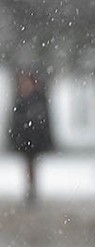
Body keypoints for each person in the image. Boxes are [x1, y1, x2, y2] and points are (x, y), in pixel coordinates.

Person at [8, 70, 54, 207]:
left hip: (34, 138)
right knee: (28, 164)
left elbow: (44, 119)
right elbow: (16, 120)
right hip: (25, 138)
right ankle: (30, 188)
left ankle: (32, 189)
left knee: (32, 163)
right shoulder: (21, 99)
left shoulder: (37, 99)